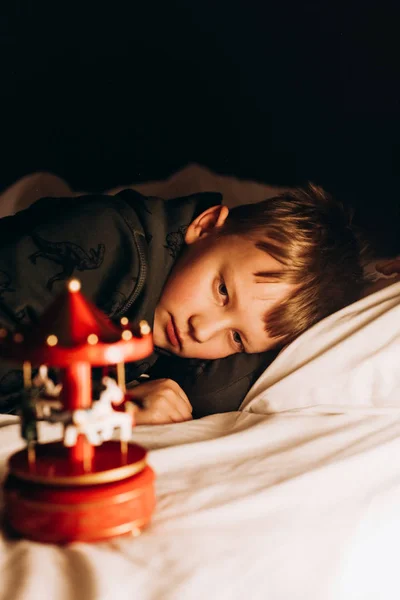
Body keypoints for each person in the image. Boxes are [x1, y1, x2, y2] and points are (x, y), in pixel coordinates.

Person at [0, 184, 364, 422]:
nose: (202, 330)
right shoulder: (110, 241)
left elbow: (213, 392)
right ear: (205, 227)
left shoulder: (169, 317)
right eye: (222, 291)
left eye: (236, 338)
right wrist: (109, 407)